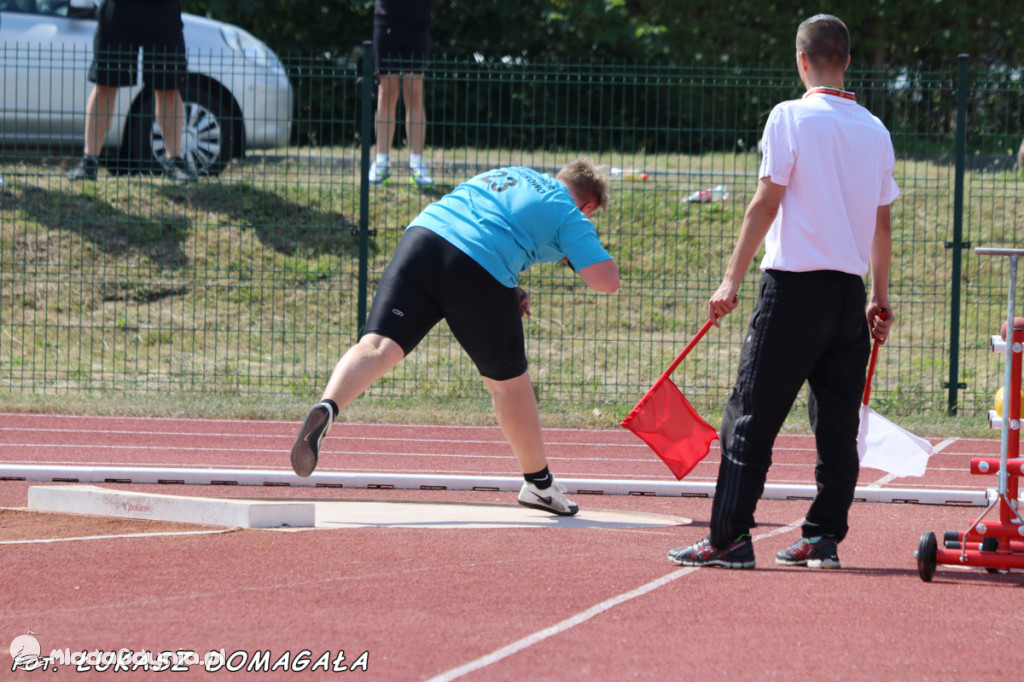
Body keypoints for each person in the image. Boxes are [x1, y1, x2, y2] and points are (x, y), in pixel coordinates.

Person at [668, 14, 898, 569]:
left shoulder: (789, 116)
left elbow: (766, 202)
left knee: (750, 415)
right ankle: (822, 538)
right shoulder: (876, 129)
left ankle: (728, 538)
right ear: (846, 60)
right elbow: (882, 223)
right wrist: (879, 297)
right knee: (838, 427)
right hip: (848, 295)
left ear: (801, 61)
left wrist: (730, 280)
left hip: (793, 291)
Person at [291, 158, 620, 516]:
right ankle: (539, 485)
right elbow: (606, 281)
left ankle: (328, 405)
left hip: (424, 238)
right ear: (588, 205)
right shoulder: (569, 213)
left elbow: (486, 224)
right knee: (508, 385)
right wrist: (577, 249)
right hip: (478, 266)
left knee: (378, 345)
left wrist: (508, 288)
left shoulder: (510, 174)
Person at [67, 0, 196, 183]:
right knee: (105, 83)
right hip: (118, 7)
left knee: (168, 86)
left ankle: (175, 161)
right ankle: (89, 162)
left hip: (163, 8)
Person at [368, 0, 434, 187]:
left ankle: (417, 163)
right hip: (386, 20)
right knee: (386, 92)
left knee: (415, 93)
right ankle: (381, 162)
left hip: (418, 23)